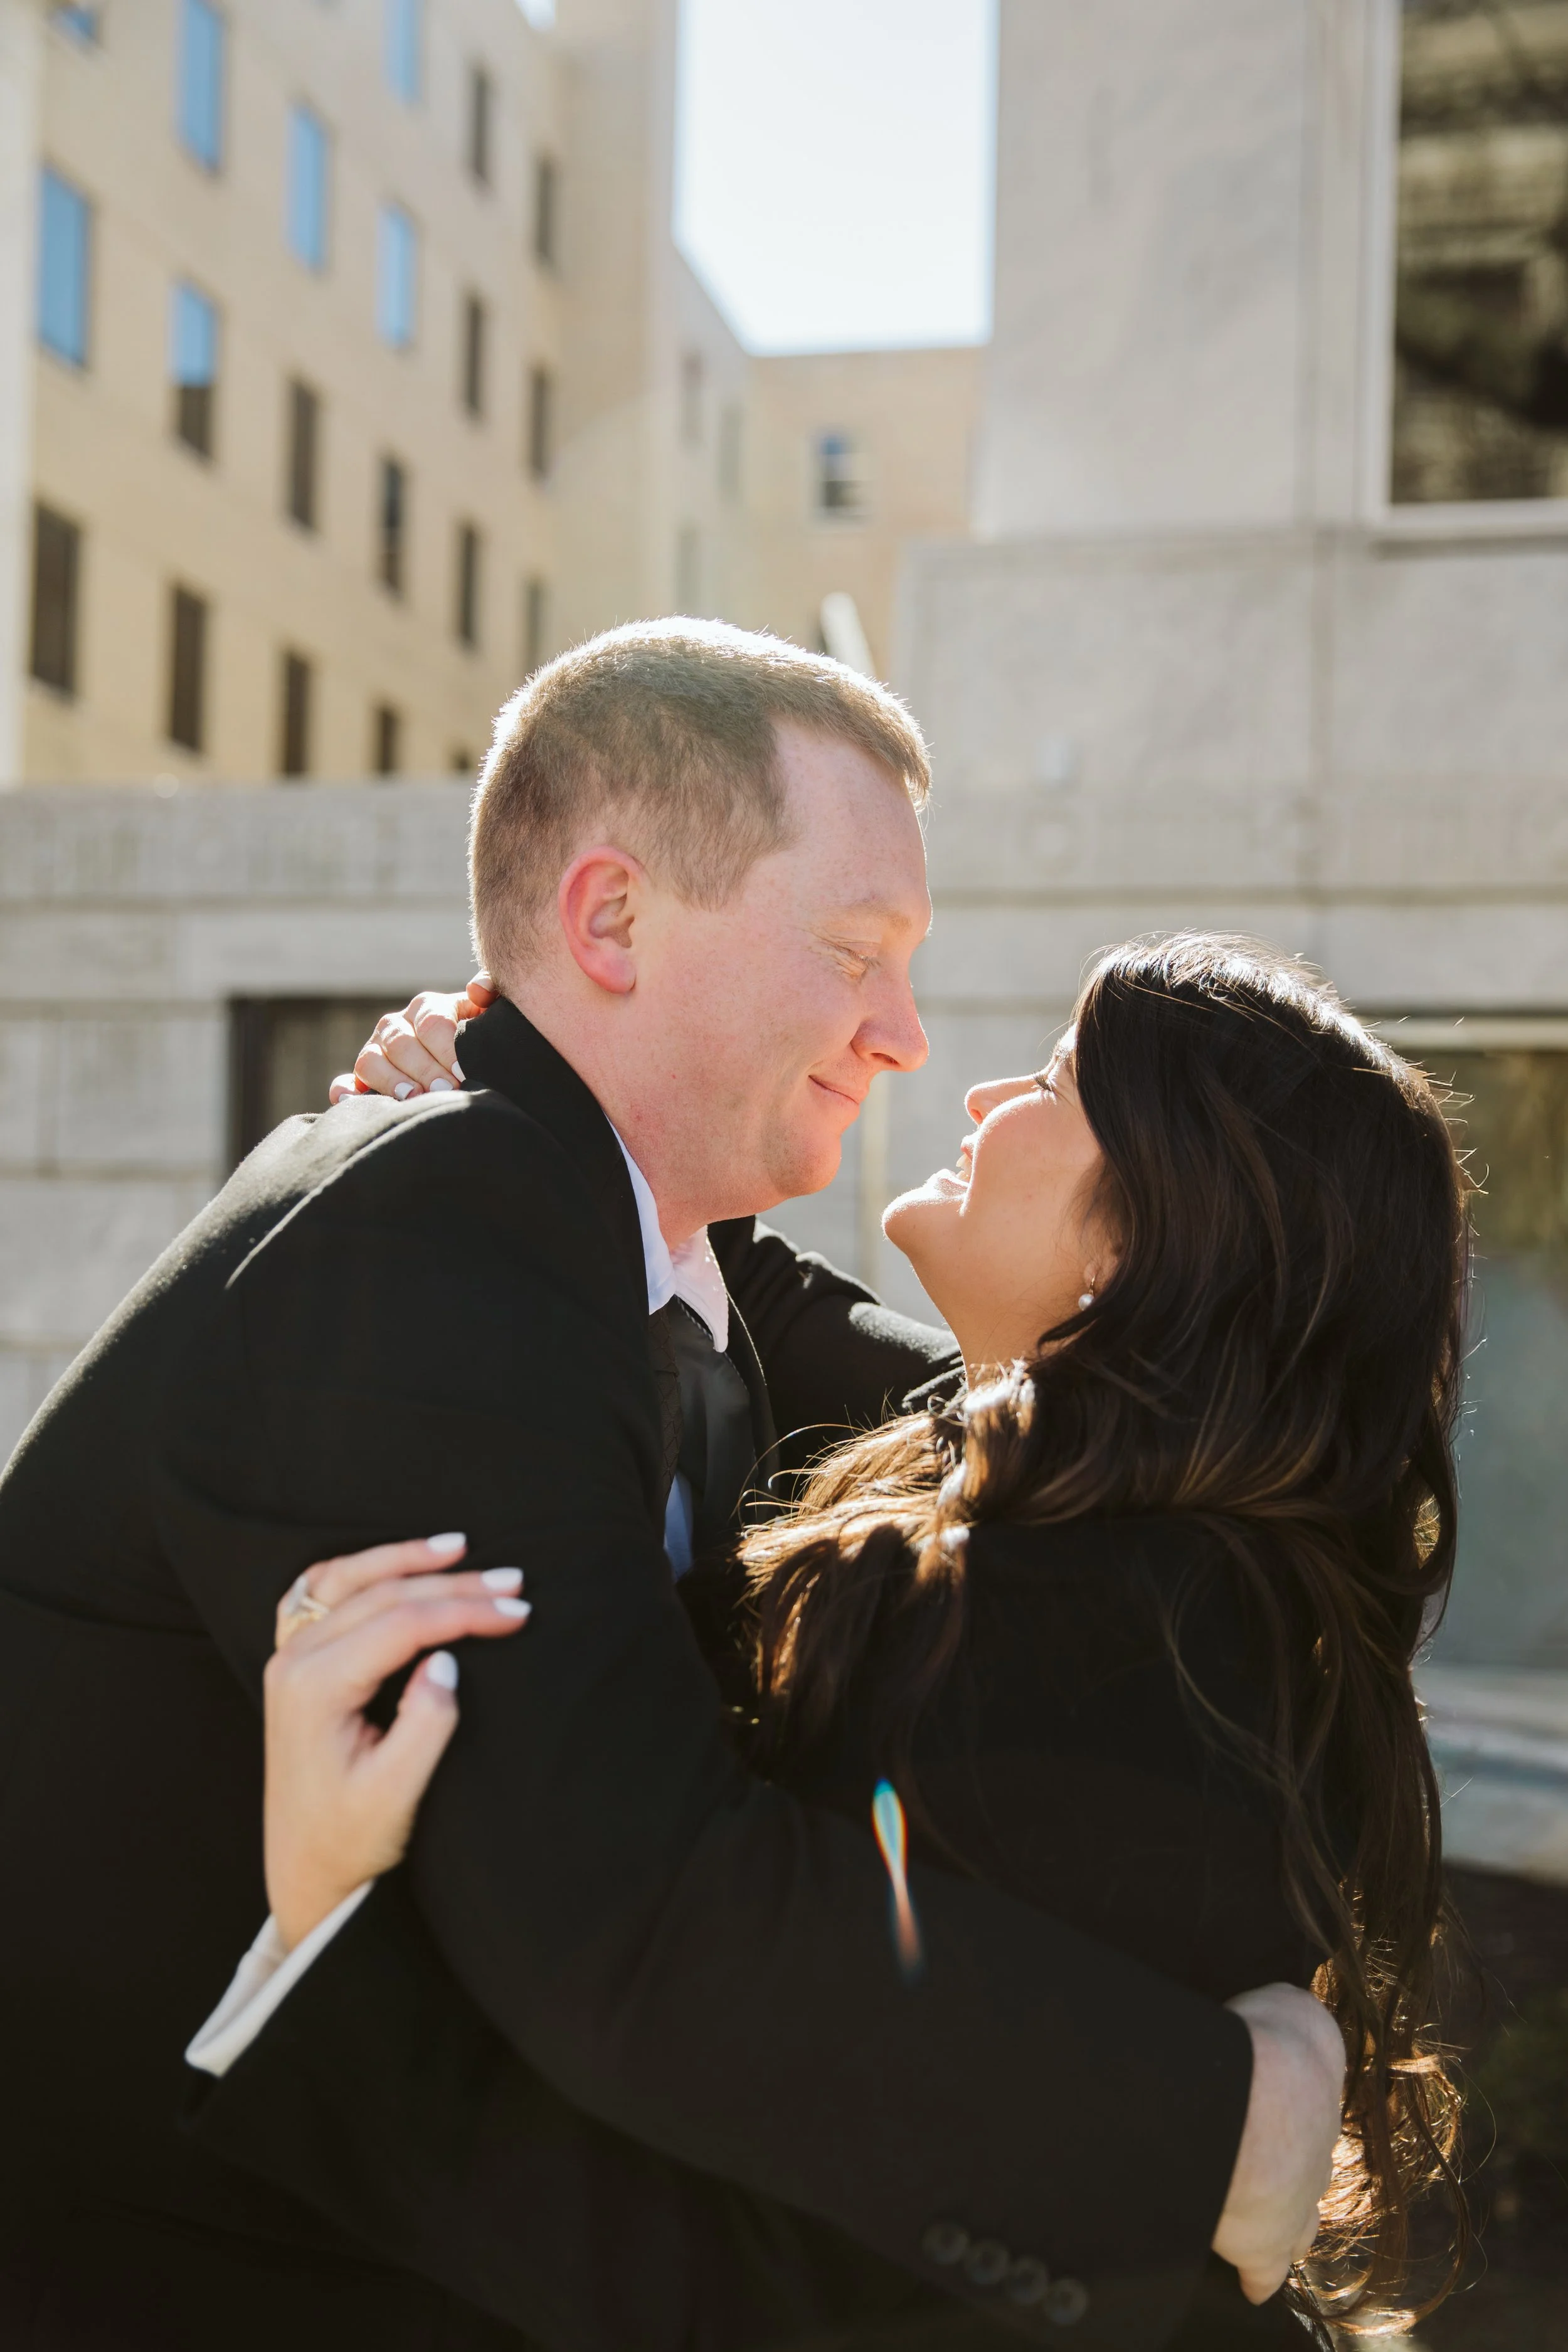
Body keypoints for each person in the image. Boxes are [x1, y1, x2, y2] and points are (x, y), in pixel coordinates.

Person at [0, 625, 1338, 2351]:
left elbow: (1035, 1429)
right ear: (611, 917)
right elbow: (636, 1914)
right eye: (855, 950)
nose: (906, 1033)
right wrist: (1211, 2125)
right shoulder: (436, 1228)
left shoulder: (646, 1267)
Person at [199, 932, 1466, 2347]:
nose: (981, 1095)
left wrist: (319, 1927)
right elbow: (765, 1298)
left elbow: (745, 2263)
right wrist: (555, 1089)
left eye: (1053, 1081)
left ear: (1134, 1247)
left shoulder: (1081, 1648)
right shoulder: (1162, 1539)